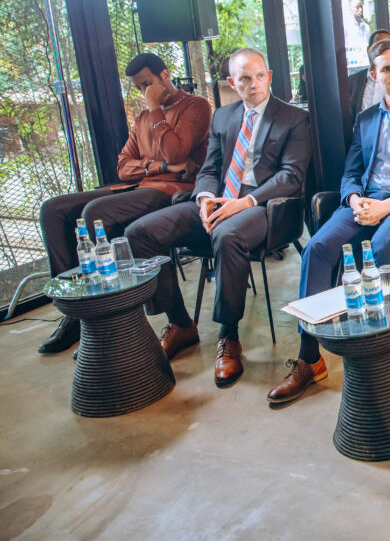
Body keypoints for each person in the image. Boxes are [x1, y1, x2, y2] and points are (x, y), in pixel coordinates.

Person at [268, 40, 390, 404]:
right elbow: (350, 173)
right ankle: (309, 358)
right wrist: (355, 200)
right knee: (318, 248)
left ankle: (384, 353)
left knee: (383, 247)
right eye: (386, 69)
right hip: (362, 203)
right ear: (374, 75)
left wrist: (387, 205)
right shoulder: (366, 119)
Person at [126, 48, 311, 388]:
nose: (253, 84)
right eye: (244, 78)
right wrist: (206, 199)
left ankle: (229, 337)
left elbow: (291, 177)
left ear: (269, 76)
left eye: (258, 76)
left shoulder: (293, 118)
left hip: (263, 208)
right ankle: (181, 323)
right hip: (219, 201)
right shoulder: (224, 117)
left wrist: (245, 203)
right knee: (139, 233)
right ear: (232, 82)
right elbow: (210, 169)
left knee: (228, 235)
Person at [36, 53, 212, 355]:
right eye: (139, 87)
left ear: (165, 75)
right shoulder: (143, 119)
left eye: (147, 84)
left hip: (172, 193)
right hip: (138, 188)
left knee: (95, 214)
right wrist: (160, 167)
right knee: (53, 210)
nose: (144, 92)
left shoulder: (195, 106)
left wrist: (156, 110)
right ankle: (78, 313)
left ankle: (118, 320)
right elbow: (123, 166)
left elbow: (175, 152)